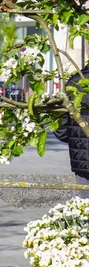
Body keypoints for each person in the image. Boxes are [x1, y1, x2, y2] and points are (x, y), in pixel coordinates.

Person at [54, 66, 89, 197]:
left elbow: (60, 125)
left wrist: (75, 141)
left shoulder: (73, 82)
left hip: (82, 159)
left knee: (85, 207)